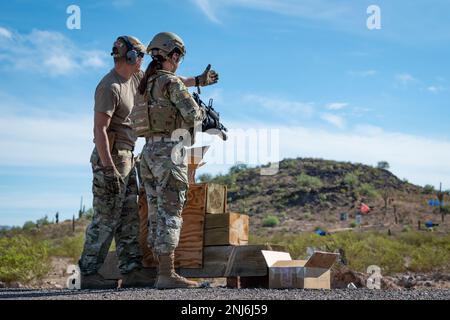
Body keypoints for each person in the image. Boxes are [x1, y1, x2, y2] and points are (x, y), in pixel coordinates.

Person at [78, 35, 218, 289]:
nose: (145, 60)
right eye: (141, 55)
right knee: (107, 216)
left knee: (130, 215)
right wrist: (108, 168)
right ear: (131, 56)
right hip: (111, 156)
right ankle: (88, 273)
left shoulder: (139, 79)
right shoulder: (109, 86)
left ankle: (131, 271)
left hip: (133, 155)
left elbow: (172, 82)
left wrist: (198, 81)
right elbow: (99, 129)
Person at [137, 32, 216, 289]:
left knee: (155, 213)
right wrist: (203, 111)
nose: (179, 61)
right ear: (173, 55)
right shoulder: (171, 82)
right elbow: (193, 115)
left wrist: (198, 81)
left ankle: (160, 271)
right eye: (179, 56)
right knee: (170, 213)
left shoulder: (146, 83)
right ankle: (167, 274)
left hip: (147, 153)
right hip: (170, 153)